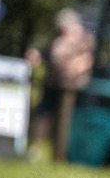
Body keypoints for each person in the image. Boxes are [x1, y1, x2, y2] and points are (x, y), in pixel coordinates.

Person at [29, 8, 95, 162]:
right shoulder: (56, 40)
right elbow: (46, 56)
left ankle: (60, 155)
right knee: (43, 115)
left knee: (64, 122)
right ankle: (36, 148)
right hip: (52, 85)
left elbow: (85, 62)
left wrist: (75, 64)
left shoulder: (85, 40)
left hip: (71, 89)